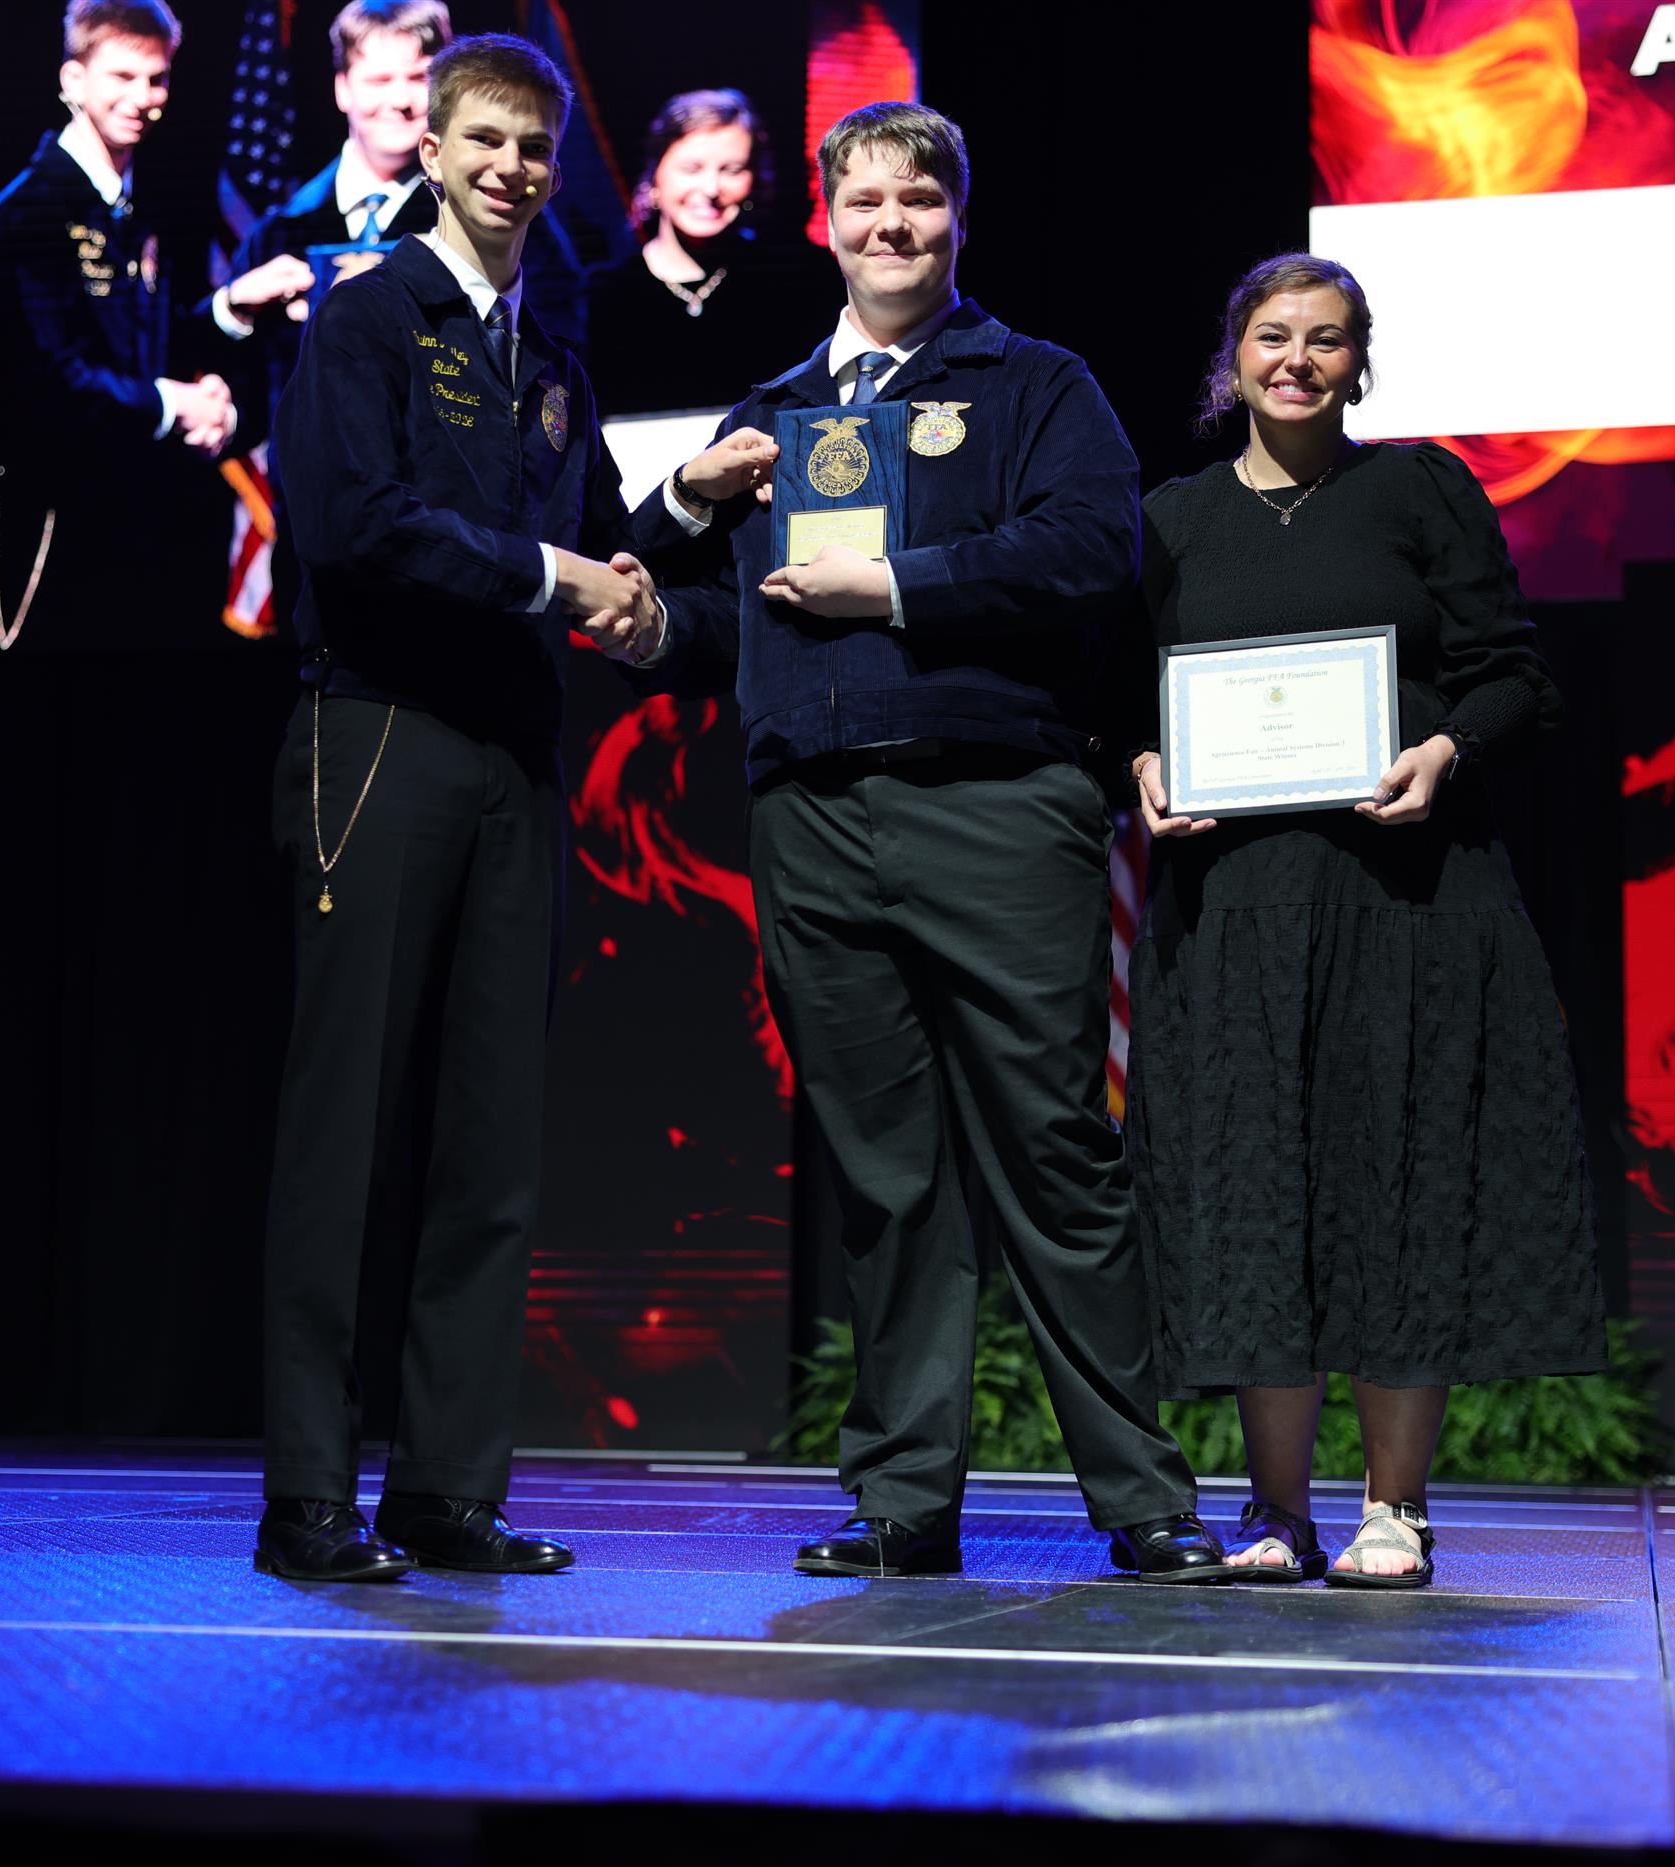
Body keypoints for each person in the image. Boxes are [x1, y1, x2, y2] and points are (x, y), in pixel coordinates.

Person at [587, 102, 1225, 1583]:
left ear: (957, 219)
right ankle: (902, 1501)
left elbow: (1091, 552)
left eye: (918, 202)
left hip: (994, 802)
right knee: (886, 1177)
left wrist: (893, 589)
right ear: (825, 222)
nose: (890, 225)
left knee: (1055, 1153)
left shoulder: (1033, 382)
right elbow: (721, 611)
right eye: (864, 201)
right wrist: (660, 596)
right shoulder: (770, 409)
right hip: (811, 819)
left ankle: (1143, 1497)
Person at [256, 33, 677, 1583]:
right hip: (376, 733)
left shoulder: (550, 353)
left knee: (491, 1140)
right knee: (345, 1128)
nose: (511, 168)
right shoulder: (369, 315)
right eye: (484, 140)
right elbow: (350, 523)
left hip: (512, 754)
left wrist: (675, 540)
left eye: (535, 148)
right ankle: (309, 1498)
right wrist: (550, 576)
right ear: (428, 150)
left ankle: (444, 1486)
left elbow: (610, 543)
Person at [1123, 253, 1608, 1589]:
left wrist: (1444, 748)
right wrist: (1145, 764)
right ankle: (1276, 1511)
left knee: (1402, 1178)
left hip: (1409, 896)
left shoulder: (1419, 491)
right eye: (1273, 336)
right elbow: (1119, 696)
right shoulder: (1169, 520)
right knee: (1255, 1193)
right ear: (1233, 359)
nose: (1298, 360)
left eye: (1327, 340)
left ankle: (1396, 1507)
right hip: (1235, 908)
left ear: (1359, 362)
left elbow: (1515, 677)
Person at [0, 1, 317, 650]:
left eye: (157, 78)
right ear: (73, 81)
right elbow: (45, 384)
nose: (143, 97)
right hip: (45, 525)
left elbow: (147, 348)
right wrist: (173, 404)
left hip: (130, 522)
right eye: (122, 76)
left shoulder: (131, 208)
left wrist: (232, 305)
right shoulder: (31, 214)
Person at [226, 1, 453, 447]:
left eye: (418, 78)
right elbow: (244, 394)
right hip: (314, 486)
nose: (401, 101)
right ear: (342, 88)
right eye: (379, 80)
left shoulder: (483, 224)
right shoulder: (280, 234)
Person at [586, 88, 822, 416]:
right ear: (654, 177)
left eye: (732, 170)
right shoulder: (603, 294)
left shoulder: (794, 283)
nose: (711, 189)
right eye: (691, 168)